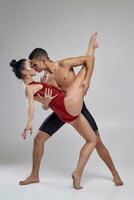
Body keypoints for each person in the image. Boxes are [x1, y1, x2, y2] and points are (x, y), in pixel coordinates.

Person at [18, 33, 123, 187]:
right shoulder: (45, 80)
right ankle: (34, 175)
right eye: (31, 66)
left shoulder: (64, 64)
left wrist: (87, 81)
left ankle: (115, 175)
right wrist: (46, 103)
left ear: (43, 60)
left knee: (96, 141)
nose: (34, 68)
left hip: (78, 109)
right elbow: (46, 106)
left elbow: (88, 61)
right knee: (38, 138)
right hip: (61, 111)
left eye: (35, 65)